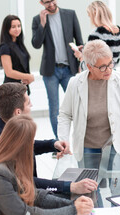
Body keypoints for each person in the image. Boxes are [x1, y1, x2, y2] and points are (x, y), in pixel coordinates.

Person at [0, 115, 94, 215]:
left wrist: (71, 204)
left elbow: (36, 195)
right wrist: (72, 210)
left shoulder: (9, 162)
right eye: (31, 141)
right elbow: (25, 214)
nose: (33, 145)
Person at [0, 83, 97, 195]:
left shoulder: (6, 125)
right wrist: (69, 186)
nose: (31, 105)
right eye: (28, 103)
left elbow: (27, 146)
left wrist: (53, 144)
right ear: (18, 112)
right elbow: (23, 181)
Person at [58, 40, 120, 167]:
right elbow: (65, 115)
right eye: (102, 67)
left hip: (114, 146)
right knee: (89, 185)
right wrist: (63, 140)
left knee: (119, 186)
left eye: (110, 63)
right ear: (89, 67)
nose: (108, 70)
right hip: (87, 148)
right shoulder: (75, 83)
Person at [32, 0, 83, 139]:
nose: (51, 4)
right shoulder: (37, 20)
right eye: (46, 2)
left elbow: (80, 41)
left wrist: (81, 62)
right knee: (54, 109)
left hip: (69, 69)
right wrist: (42, 24)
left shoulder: (70, 14)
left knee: (77, 106)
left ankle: (80, 139)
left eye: (52, 0)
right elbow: (36, 44)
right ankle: (60, 143)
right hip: (50, 71)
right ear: (41, 2)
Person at [71, 1, 120, 69]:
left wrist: (80, 57)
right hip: (112, 73)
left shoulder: (97, 33)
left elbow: (88, 67)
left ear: (94, 15)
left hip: (98, 76)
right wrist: (85, 49)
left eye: (89, 16)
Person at [0, 15, 34, 95]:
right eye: (13, 27)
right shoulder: (4, 47)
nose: (17, 29)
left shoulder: (19, 44)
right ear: (7, 29)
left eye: (19, 26)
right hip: (11, 89)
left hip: (22, 87)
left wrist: (27, 78)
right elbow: (9, 72)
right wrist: (28, 76)